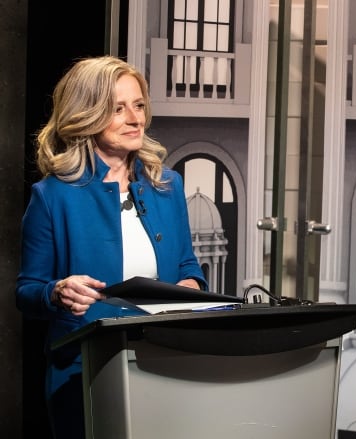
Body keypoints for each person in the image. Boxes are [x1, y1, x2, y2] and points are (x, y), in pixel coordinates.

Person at [16, 55, 207, 439]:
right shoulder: (53, 196)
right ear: (86, 114)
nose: (135, 119)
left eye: (138, 105)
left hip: (165, 360)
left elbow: (188, 265)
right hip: (85, 371)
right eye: (118, 109)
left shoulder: (166, 186)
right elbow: (26, 292)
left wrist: (192, 287)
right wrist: (56, 291)